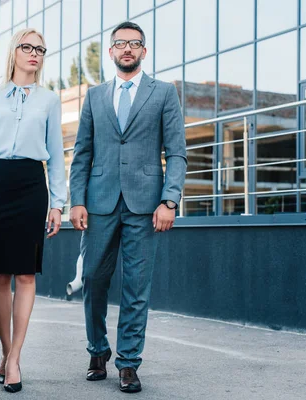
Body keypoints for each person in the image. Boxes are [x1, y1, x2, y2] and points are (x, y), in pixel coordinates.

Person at [69, 21, 187, 393]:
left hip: (146, 206)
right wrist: (77, 200)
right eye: (120, 43)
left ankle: (129, 363)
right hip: (100, 204)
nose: (127, 49)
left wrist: (170, 200)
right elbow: (82, 154)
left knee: (137, 288)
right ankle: (97, 350)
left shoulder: (164, 93)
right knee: (92, 281)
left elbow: (178, 153)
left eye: (134, 44)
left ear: (144, 51)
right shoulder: (94, 96)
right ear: (110, 51)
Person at [0, 28, 66, 394]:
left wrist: (58, 204)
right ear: (15, 52)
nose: (34, 53)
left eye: (40, 48)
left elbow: (55, 154)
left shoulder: (49, 101)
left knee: (25, 275)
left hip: (30, 184)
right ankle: (7, 353)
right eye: (27, 47)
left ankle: (15, 360)